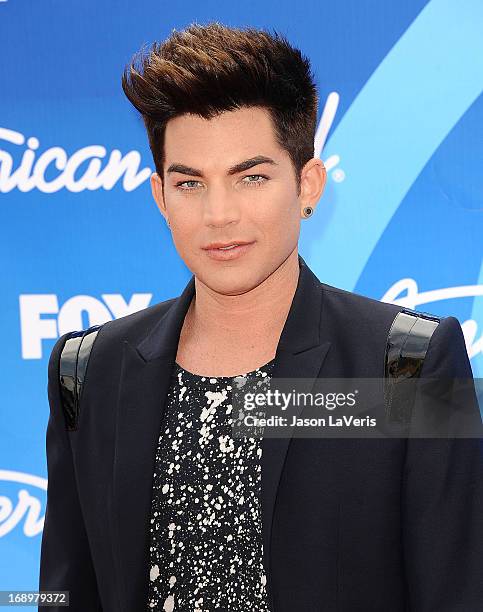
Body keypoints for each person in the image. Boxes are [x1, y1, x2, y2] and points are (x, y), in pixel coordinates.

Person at [39, 22, 483, 612]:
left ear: (308, 184)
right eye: (190, 183)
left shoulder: (408, 363)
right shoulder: (87, 370)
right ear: (159, 197)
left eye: (251, 177)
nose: (219, 214)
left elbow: (456, 591)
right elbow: (63, 593)